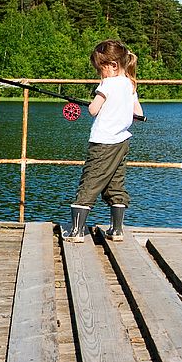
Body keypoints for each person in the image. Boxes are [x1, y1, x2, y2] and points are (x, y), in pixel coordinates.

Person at [62, 39, 144, 242]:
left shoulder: (107, 83)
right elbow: (138, 113)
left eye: (101, 69)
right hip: (122, 142)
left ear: (113, 66)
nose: (100, 74)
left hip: (102, 142)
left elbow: (93, 110)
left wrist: (97, 101)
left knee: (90, 181)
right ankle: (116, 230)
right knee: (115, 184)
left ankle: (77, 231)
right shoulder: (129, 84)